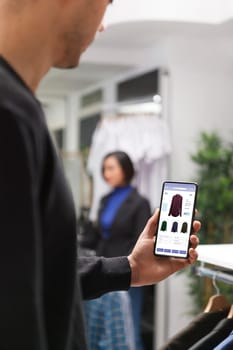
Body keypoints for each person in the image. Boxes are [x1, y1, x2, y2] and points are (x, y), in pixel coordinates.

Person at [0, 1, 200, 350]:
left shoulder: (20, 110)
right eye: (106, 2)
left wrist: (129, 268)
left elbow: (39, 270)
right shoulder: (8, 114)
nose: (104, 25)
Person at [83, 150, 151, 349]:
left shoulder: (139, 203)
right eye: (104, 169)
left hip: (129, 270)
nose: (106, 173)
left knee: (130, 330)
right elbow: (97, 235)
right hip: (104, 268)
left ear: (126, 170)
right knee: (106, 330)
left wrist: (128, 264)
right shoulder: (104, 200)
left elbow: (141, 240)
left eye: (111, 168)